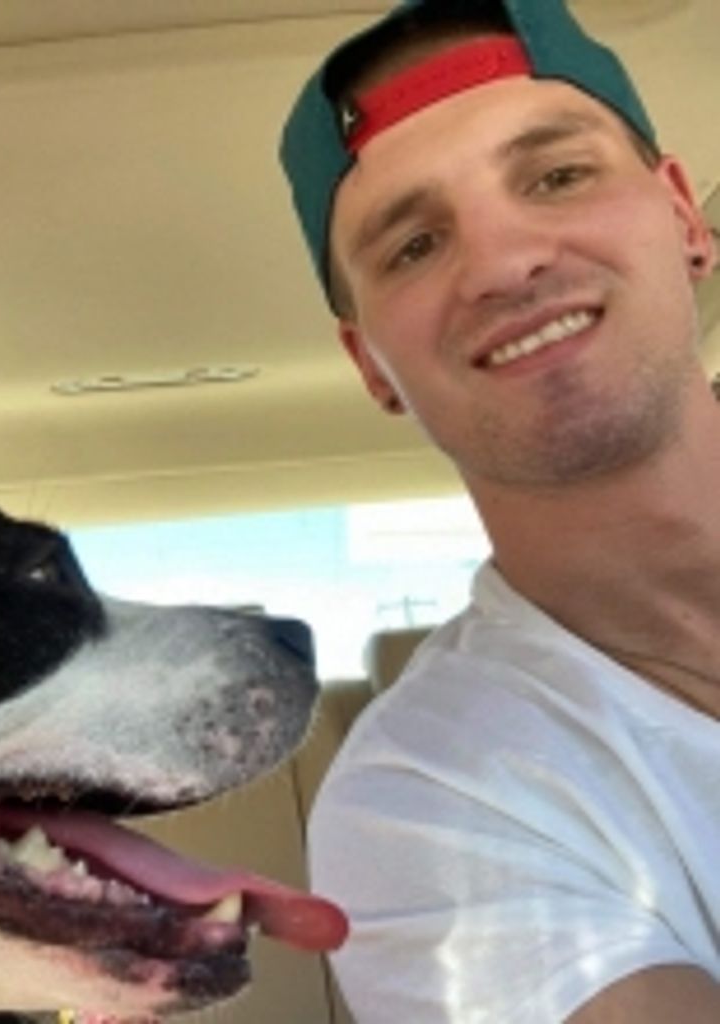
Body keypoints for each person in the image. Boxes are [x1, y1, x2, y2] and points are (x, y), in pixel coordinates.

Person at [278, 0, 720, 1021]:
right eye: (413, 245)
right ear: (369, 366)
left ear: (682, 218)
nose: (503, 263)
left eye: (556, 176)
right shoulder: (424, 795)